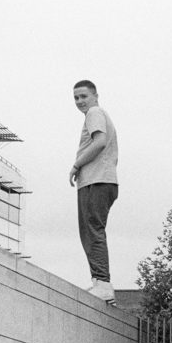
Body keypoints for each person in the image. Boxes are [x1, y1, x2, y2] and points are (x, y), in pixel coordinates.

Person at [69, 80, 120, 304]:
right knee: (90, 231)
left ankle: (103, 282)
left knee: (92, 230)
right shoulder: (96, 113)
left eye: (83, 96)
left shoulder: (95, 112)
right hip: (99, 180)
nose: (80, 101)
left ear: (95, 96)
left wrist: (76, 164)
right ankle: (101, 283)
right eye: (76, 98)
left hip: (96, 180)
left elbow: (99, 142)